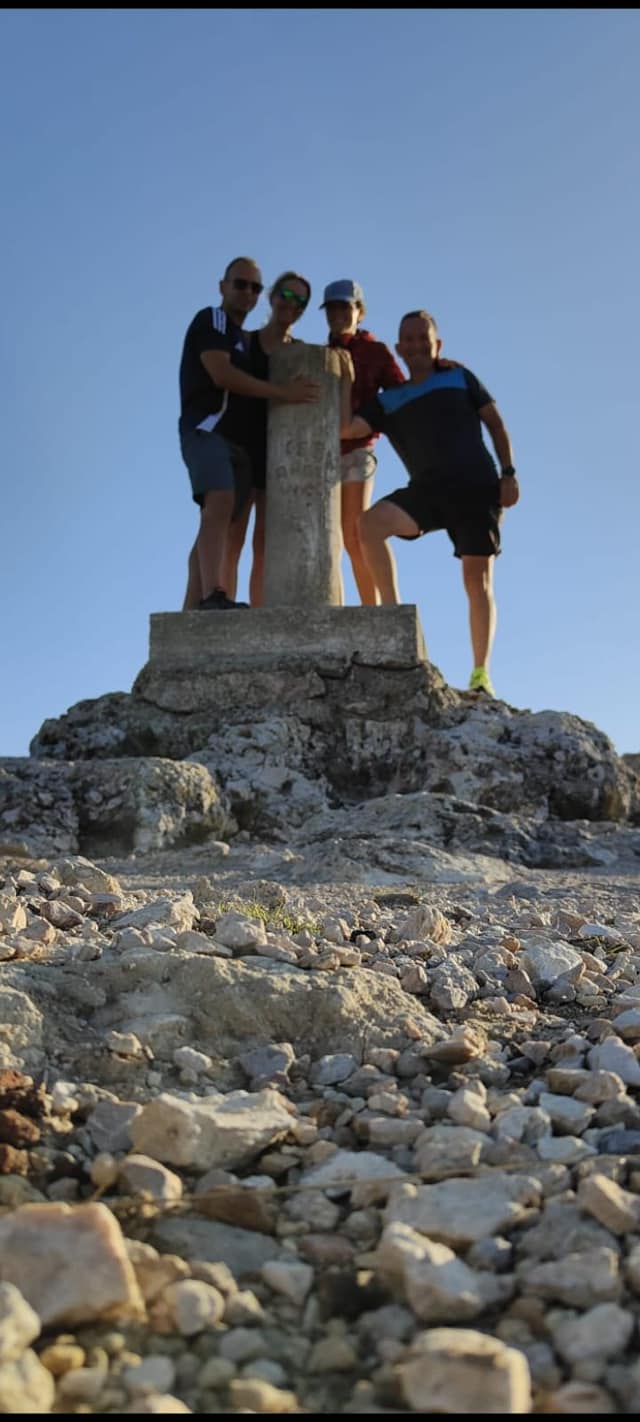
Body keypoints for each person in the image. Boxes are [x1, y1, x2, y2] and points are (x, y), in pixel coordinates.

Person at [341, 309, 519, 697]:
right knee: (369, 525)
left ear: (436, 343)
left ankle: (480, 675)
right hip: (427, 492)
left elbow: (495, 422)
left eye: (424, 338)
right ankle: (392, 619)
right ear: (400, 347)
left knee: (477, 580)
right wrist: (342, 379)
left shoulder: (459, 376)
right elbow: (347, 428)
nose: (417, 345)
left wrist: (508, 472)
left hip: (476, 487)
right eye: (410, 339)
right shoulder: (390, 400)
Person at [178, 255, 318, 610]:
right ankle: (211, 600)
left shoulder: (257, 343)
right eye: (240, 284)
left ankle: (208, 609)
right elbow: (221, 375)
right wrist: (284, 392)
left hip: (257, 451)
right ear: (223, 286)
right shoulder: (221, 325)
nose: (247, 292)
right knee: (223, 515)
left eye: (253, 287)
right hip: (215, 432)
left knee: (242, 532)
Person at [219, 271, 312, 606]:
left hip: (279, 458)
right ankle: (222, 609)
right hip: (241, 450)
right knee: (232, 538)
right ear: (272, 297)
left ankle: (260, 615)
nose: (291, 305)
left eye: (300, 301)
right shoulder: (243, 342)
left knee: (267, 545)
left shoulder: (302, 354)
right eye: (286, 295)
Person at [320, 279, 405, 605]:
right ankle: (338, 608)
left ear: (360, 311)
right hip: (322, 455)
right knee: (331, 541)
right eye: (332, 308)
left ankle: (373, 610)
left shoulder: (376, 352)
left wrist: (370, 422)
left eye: (345, 306)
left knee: (355, 532)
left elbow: (401, 394)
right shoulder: (319, 355)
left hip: (358, 450)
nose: (338, 313)